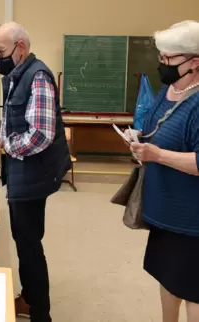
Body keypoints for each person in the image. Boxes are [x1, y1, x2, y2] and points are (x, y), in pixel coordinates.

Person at [0, 22, 71, 322]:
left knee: (29, 244)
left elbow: (40, 135)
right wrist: (0, 137)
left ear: (21, 47)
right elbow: (19, 120)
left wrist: (2, 147)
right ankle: (29, 299)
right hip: (22, 171)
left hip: (33, 174)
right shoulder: (16, 74)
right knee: (24, 238)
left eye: (1, 51)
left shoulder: (38, 76)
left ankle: (40, 313)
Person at [124, 20, 199, 322]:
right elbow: (156, 128)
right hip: (164, 212)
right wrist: (139, 139)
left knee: (193, 289)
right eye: (161, 57)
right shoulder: (169, 90)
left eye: (169, 59)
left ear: (195, 62)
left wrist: (157, 155)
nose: (162, 65)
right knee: (168, 278)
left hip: (191, 221)